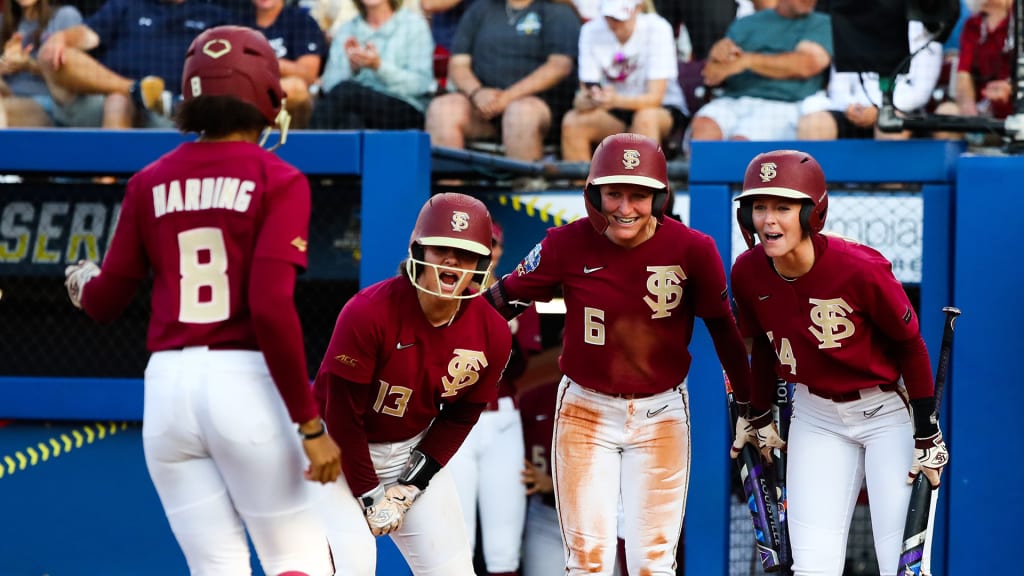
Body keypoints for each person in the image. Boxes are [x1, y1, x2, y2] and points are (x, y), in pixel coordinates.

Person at [62, 25, 341, 575]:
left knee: (217, 568)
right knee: (298, 559)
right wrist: (310, 425)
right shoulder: (278, 177)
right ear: (266, 92)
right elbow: (268, 306)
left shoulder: (148, 181)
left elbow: (104, 300)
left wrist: (81, 281)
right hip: (244, 385)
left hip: (166, 391)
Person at [484, 132, 752, 575]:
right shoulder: (564, 243)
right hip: (585, 409)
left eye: (639, 195)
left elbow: (723, 327)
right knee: (588, 562)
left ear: (659, 197)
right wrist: (443, 324)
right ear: (594, 194)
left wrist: (748, 405)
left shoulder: (693, 249)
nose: (625, 207)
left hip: (662, 410)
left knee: (654, 562)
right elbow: (503, 298)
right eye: (614, 193)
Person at [728, 149, 950, 575]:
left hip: (885, 412)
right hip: (814, 414)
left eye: (783, 207)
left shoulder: (860, 267)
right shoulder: (746, 272)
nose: (769, 219)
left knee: (902, 566)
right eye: (759, 207)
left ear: (813, 212)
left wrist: (927, 434)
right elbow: (764, 352)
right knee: (812, 566)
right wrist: (756, 415)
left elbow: (911, 346)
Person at [311, 192, 514, 576]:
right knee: (352, 568)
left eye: (466, 252)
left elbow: (461, 415)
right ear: (418, 249)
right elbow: (340, 415)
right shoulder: (368, 311)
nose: (453, 260)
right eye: (441, 248)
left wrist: (411, 485)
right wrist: (370, 493)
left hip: (407, 448)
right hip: (333, 450)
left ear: (481, 264)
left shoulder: (492, 331)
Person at [447, 220, 541, 576]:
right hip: (452, 419)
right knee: (454, 543)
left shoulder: (512, 293)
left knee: (503, 548)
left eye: (493, 243)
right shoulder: (442, 289)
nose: (488, 250)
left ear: (499, 249)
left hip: (501, 416)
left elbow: (520, 367)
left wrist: (503, 332)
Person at [424, 0, 581, 161]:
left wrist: (507, 98)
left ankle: (525, 184)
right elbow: (458, 64)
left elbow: (559, 66)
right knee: (442, 109)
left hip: (538, 108)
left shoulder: (557, 11)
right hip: (482, 108)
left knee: (520, 113)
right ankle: (448, 185)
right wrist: (477, 92)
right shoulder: (479, 9)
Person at [37, 0, 232, 128]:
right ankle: (136, 90)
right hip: (108, 99)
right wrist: (62, 37)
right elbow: (86, 35)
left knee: (119, 102)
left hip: (172, 109)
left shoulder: (213, 16)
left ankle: (107, 187)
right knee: (52, 54)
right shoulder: (126, 5)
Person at [560, 0, 688, 162]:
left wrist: (615, 100)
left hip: (661, 109)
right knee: (573, 121)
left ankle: (644, 185)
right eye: (609, 17)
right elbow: (586, 88)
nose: (614, 24)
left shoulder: (658, 28)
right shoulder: (591, 30)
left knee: (644, 119)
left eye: (620, 17)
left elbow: (655, 98)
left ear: (638, 9)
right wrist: (587, 100)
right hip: (614, 109)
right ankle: (582, 186)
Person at [689, 0, 832, 142]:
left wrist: (748, 61)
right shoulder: (746, 23)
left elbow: (806, 64)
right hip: (733, 100)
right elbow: (711, 74)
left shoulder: (820, 23)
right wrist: (716, 57)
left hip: (783, 104)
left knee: (740, 142)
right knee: (703, 130)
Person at [797, 21, 943, 141]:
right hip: (856, 112)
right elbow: (839, 87)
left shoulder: (925, 32)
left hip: (904, 113)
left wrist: (880, 111)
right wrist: (853, 109)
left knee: (890, 126)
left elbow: (920, 94)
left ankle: (892, 177)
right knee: (813, 125)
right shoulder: (852, 29)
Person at [309, 0, 434, 131]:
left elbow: (421, 84)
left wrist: (379, 67)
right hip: (356, 108)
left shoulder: (414, 26)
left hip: (403, 109)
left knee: (348, 92)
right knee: (351, 121)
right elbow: (330, 84)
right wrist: (353, 69)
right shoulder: (346, 29)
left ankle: (308, 148)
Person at [0, 0, 83, 127]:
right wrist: (4, 65)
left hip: (48, 103)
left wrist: (29, 65)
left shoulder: (64, 16)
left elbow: (74, 76)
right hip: (8, 96)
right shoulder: (4, 22)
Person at [248, 0, 327, 129]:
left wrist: (265, 61)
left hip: (286, 104)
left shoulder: (302, 21)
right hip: (244, 97)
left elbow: (308, 75)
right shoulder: (237, 22)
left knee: (296, 87)